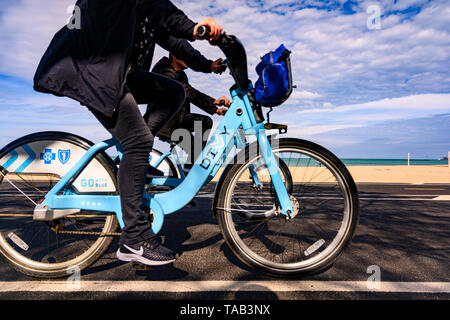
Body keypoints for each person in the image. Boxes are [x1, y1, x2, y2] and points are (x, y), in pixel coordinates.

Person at [33, 0, 223, 266]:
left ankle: (134, 160)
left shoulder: (145, 10)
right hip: (89, 69)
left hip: (116, 73)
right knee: (138, 140)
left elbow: (173, 39)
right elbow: (166, 14)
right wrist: (193, 27)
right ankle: (134, 238)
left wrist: (207, 65)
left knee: (174, 92)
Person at [146, 53, 231, 172]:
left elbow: (189, 93)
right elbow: (188, 91)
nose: (188, 59)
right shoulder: (165, 71)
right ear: (174, 55)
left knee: (195, 151)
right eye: (183, 55)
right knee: (205, 123)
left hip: (177, 121)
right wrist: (213, 103)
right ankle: (190, 171)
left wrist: (215, 109)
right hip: (166, 123)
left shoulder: (180, 74)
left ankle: (189, 172)